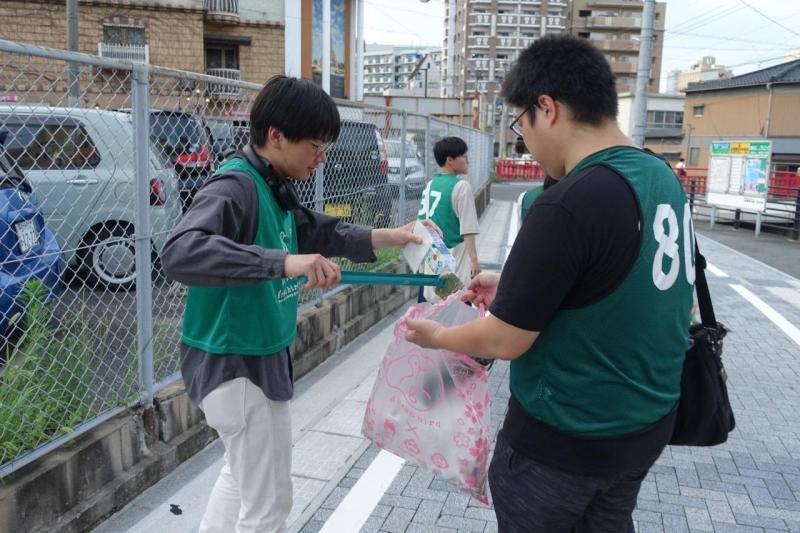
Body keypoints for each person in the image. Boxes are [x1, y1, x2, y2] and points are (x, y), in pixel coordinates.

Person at [405, 35, 695, 533]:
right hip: (644, 428)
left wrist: (437, 336)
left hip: (566, 440)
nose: (527, 143)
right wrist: (517, 285)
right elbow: (615, 281)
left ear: (548, 108)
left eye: (521, 125)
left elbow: (503, 339)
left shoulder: (568, 200)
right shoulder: (660, 175)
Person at [161, 75, 436, 533]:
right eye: (314, 144)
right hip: (236, 364)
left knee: (241, 477)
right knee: (269, 508)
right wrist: (284, 262)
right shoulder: (235, 186)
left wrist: (397, 235)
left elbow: (321, 230)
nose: (322, 157)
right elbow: (181, 252)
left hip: (253, 358)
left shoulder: (271, 183)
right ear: (276, 136)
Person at [417, 136, 480, 302]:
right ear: (450, 160)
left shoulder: (430, 184)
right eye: (463, 156)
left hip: (431, 262)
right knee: (454, 319)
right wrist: (474, 263)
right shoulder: (461, 186)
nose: (467, 160)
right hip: (454, 264)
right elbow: (468, 229)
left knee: (427, 318)